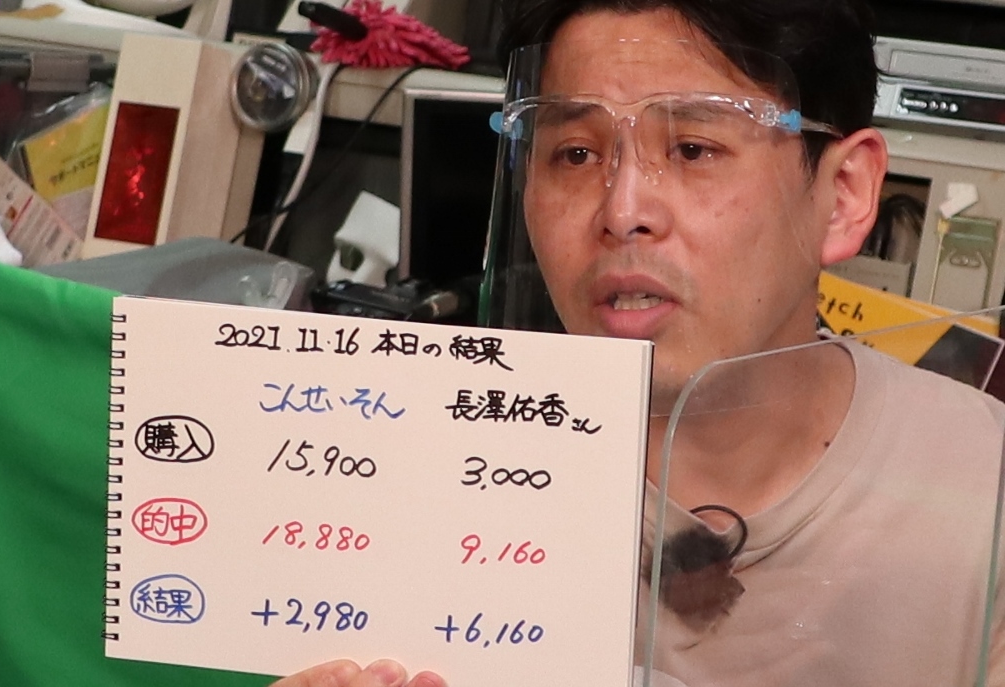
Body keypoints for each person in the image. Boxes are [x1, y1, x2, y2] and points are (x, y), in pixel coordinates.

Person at [274, 0, 1005, 685]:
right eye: (576, 155)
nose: (622, 212)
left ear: (843, 195)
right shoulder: (385, 473)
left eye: (693, 148)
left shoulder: (982, 491)